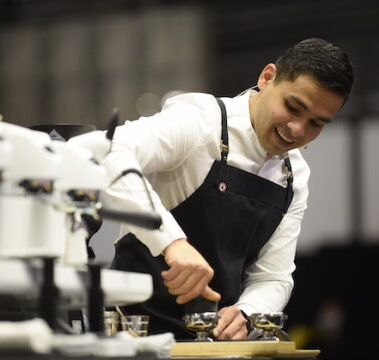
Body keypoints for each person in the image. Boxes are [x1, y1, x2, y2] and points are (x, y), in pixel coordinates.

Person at [96, 37, 354, 340]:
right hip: (131, 336)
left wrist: (246, 312)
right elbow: (109, 151)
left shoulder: (294, 175)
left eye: (317, 124)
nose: (298, 130)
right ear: (267, 77)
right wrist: (172, 242)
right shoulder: (199, 120)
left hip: (213, 347)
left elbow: (274, 277)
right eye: (293, 107)